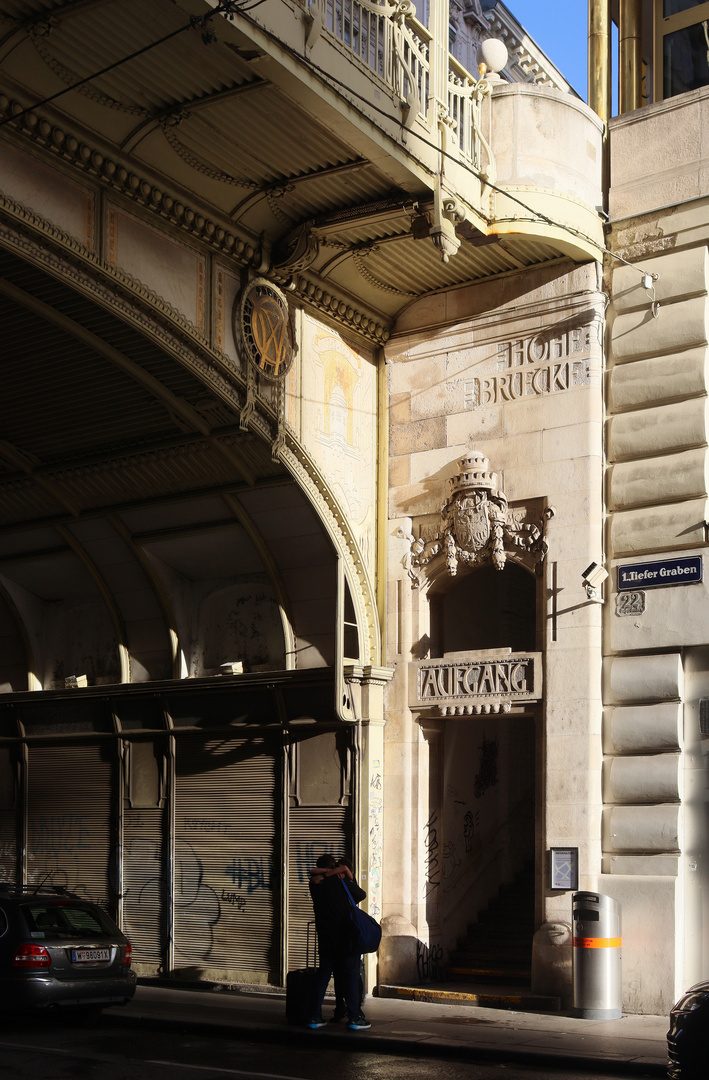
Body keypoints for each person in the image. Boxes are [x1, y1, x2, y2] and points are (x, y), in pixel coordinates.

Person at [307, 853, 370, 1031]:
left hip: (325, 939)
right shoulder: (339, 881)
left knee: (323, 977)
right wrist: (345, 874)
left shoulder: (314, 884)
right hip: (344, 938)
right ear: (333, 866)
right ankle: (355, 1018)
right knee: (350, 975)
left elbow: (311, 872)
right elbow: (360, 894)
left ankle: (314, 1017)